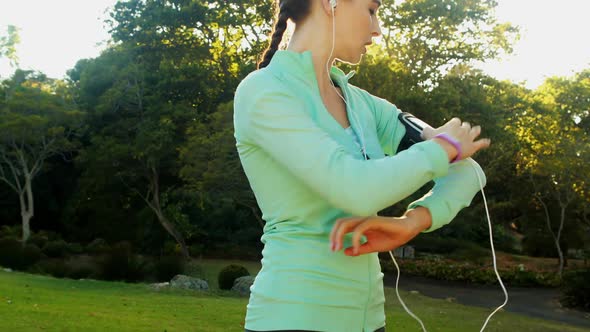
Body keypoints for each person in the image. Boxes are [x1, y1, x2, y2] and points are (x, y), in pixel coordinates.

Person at [233, 0, 490, 331]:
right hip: (294, 316)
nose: (378, 28)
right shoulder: (263, 91)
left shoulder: (365, 105)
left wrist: (413, 221)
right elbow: (354, 190)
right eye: (371, 9)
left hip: (371, 320)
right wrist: (443, 148)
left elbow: (468, 170)